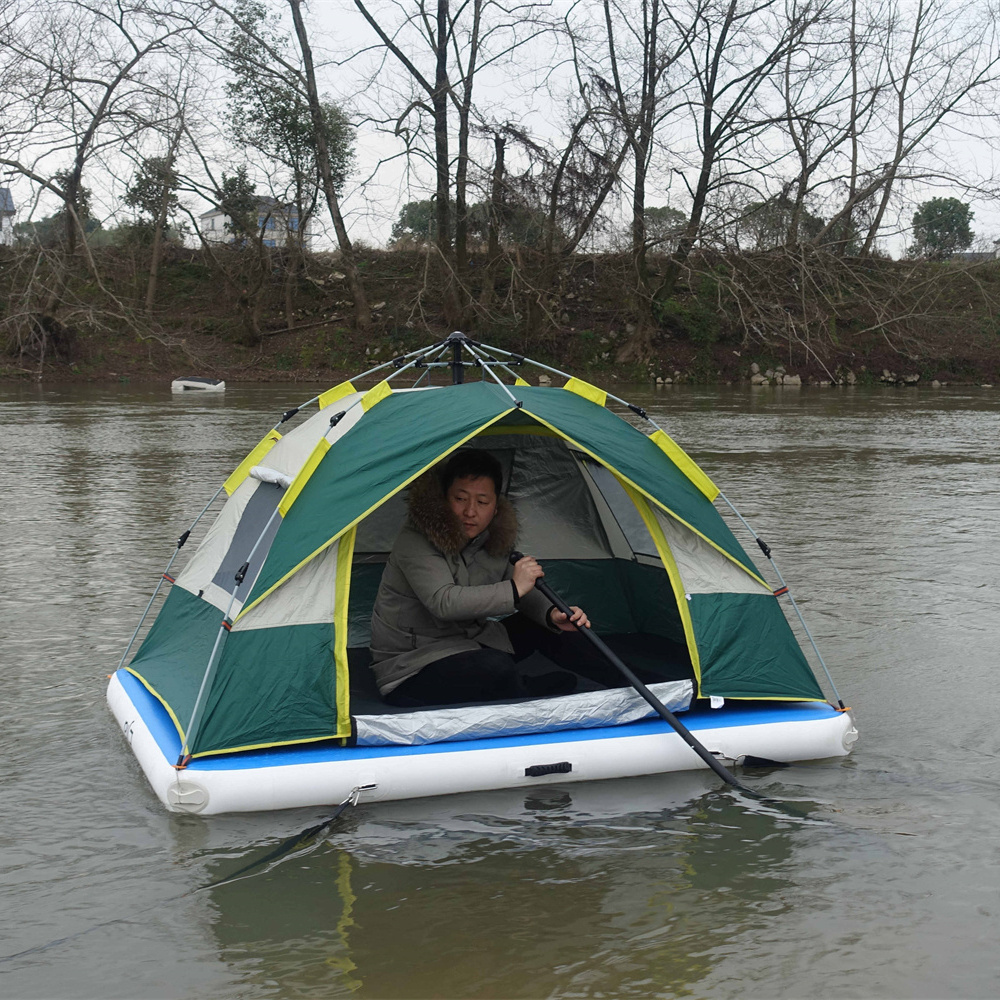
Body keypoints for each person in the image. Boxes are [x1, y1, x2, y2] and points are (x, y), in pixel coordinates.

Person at [369, 448, 591, 707]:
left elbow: (524, 592)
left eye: (482, 502)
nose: (470, 512)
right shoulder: (416, 539)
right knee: (494, 666)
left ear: (496, 508)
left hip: (468, 644)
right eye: (460, 499)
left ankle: (633, 682)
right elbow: (444, 601)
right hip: (411, 666)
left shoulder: (493, 539)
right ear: (444, 499)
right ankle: (523, 689)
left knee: (557, 626)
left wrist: (552, 613)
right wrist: (514, 588)